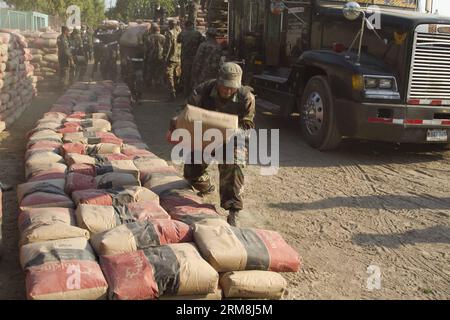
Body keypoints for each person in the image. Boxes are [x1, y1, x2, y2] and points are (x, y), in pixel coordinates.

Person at [182, 63, 256, 227]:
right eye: (224, 87)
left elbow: (248, 125)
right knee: (191, 171)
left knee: (234, 163)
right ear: (218, 82)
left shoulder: (246, 97)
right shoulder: (203, 91)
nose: (227, 91)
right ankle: (206, 186)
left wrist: (232, 131)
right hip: (205, 137)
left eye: (232, 88)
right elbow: (186, 113)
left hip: (232, 139)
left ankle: (233, 210)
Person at [177, 20, 204, 98]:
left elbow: (178, 41)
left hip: (185, 58)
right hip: (195, 58)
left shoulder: (182, 33)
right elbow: (202, 42)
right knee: (194, 76)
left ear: (186, 26)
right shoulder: (198, 33)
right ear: (192, 25)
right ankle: (192, 94)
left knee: (185, 76)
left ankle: (185, 93)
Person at [163, 19, 181, 102]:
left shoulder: (169, 33)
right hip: (178, 58)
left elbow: (168, 46)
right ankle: (177, 92)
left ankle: (172, 94)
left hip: (171, 58)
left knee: (169, 76)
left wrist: (165, 57)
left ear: (170, 25)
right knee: (177, 76)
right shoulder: (180, 32)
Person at [146, 22, 166, 88]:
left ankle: (149, 82)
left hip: (151, 56)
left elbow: (147, 47)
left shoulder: (149, 37)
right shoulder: (163, 37)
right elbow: (165, 46)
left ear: (152, 30)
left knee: (150, 69)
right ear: (158, 30)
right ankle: (158, 83)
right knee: (159, 70)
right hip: (160, 56)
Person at [57, 26, 73, 90]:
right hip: (65, 57)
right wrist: (71, 59)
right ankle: (64, 87)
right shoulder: (64, 39)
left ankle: (60, 85)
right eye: (68, 31)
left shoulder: (59, 37)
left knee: (61, 71)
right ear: (65, 31)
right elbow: (66, 50)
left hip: (60, 56)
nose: (69, 33)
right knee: (66, 72)